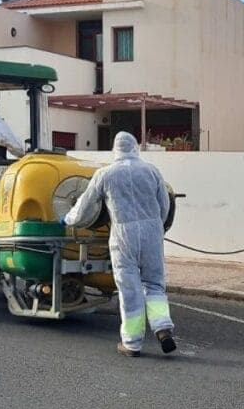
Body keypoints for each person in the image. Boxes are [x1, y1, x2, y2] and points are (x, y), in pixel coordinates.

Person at [64, 132, 176, 357]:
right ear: (135, 148)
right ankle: (162, 327)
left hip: (124, 234)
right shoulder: (151, 171)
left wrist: (67, 219)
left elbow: (85, 205)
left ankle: (132, 343)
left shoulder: (105, 174)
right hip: (152, 231)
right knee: (154, 284)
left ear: (115, 150)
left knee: (129, 289)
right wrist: (156, 227)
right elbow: (164, 205)